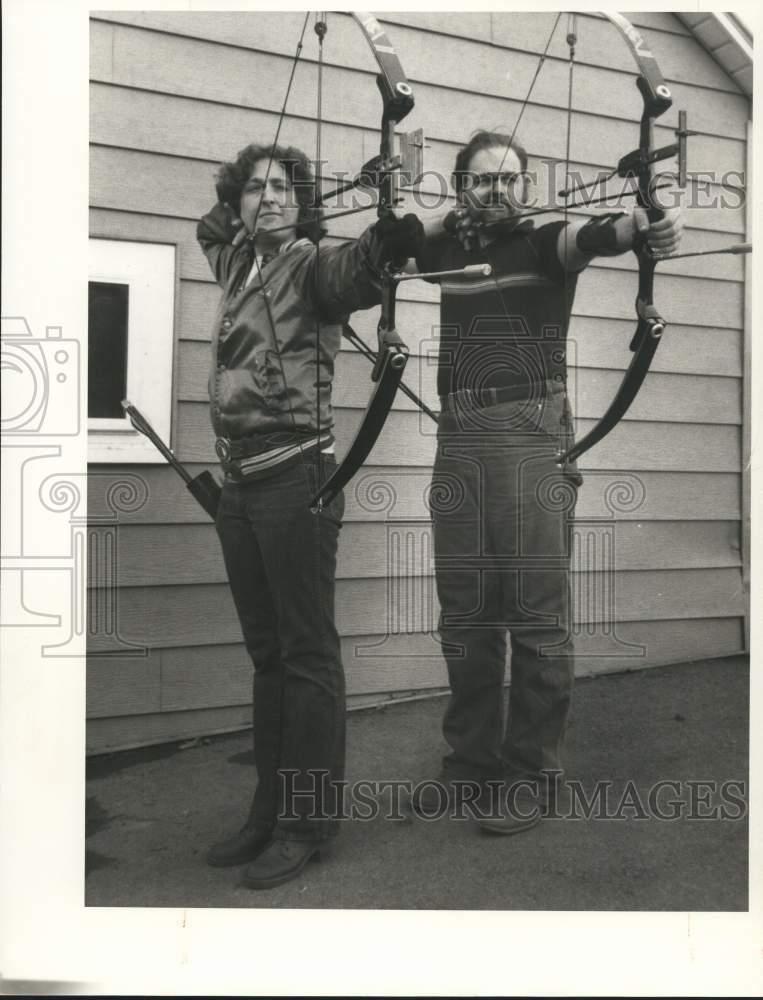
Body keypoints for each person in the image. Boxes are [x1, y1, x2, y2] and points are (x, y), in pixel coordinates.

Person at [411, 130, 683, 833]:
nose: (496, 190)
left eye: (508, 180)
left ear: (525, 190)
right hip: (458, 435)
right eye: (480, 180)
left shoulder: (542, 245)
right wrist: (441, 220)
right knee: (465, 610)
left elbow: (599, 234)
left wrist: (644, 222)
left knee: (535, 611)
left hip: (530, 430)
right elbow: (388, 244)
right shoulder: (441, 250)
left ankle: (531, 771)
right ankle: (470, 760)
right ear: (461, 186)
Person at [197, 141, 421, 887]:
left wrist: (385, 233)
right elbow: (210, 225)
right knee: (268, 655)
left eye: (285, 186)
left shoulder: (307, 264)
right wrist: (241, 208)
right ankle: (267, 810)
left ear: (303, 200)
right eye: (256, 187)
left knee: (306, 654)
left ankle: (305, 821)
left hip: (296, 480)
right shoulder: (234, 260)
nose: (272, 196)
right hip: (238, 486)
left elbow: (353, 271)